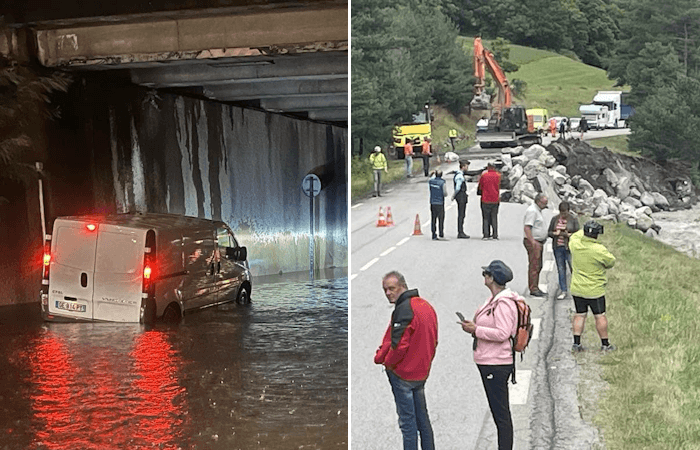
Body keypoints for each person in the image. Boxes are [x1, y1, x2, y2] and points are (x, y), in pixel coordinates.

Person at [375, 271, 438, 450]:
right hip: (421, 373)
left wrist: (388, 363)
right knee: (423, 421)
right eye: (385, 290)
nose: (388, 293)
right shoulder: (426, 306)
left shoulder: (404, 309)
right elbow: (434, 340)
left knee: (408, 425)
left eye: (392, 288)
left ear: (403, 286)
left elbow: (399, 346)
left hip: (404, 375)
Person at [459, 260, 519, 450]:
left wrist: (476, 330)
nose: (483, 277)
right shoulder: (494, 300)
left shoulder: (503, 304)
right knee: (498, 413)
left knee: (501, 415)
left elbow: (503, 333)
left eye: (486, 274)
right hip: (490, 361)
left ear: (492, 279)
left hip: (497, 363)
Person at [569, 221, 617, 352]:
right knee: (599, 315)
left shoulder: (575, 243)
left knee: (580, 314)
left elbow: (574, 236)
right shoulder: (599, 250)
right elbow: (611, 261)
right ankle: (605, 344)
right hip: (594, 290)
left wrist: (584, 229)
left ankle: (576, 343)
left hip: (577, 287)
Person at [547, 201, 579, 299]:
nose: (563, 215)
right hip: (558, 247)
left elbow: (578, 233)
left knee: (573, 268)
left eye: (565, 213)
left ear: (568, 211)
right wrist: (554, 234)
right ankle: (563, 290)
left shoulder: (573, 219)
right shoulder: (555, 219)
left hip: (569, 247)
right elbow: (549, 232)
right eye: (562, 213)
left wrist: (568, 235)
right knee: (561, 269)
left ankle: (576, 289)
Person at [523, 193, 549, 297]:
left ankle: (536, 286)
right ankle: (533, 288)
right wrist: (533, 241)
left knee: (538, 264)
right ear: (538, 202)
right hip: (534, 241)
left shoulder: (538, 210)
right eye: (544, 203)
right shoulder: (532, 211)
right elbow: (527, 227)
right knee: (535, 265)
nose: (545, 205)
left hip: (539, 241)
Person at [477, 162, 501, 240]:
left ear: (488, 167)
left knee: (485, 217)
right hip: (495, 199)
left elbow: (480, 187)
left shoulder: (484, 176)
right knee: (494, 217)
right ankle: (495, 235)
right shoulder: (498, 176)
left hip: (485, 199)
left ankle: (486, 235)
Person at [452, 160, 470, 239]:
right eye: (467, 166)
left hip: (461, 195)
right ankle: (460, 232)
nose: (467, 168)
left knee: (462, 213)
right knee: (461, 214)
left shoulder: (459, 174)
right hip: (461, 196)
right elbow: (457, 187)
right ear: (463, 167)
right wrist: (453, 195)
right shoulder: (459, 176)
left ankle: (461, 231)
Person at [428, 170, 447, 240]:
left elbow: (429, 178)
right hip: (440, 203)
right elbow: (445, 193)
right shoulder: (442, 182)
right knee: (441, 219)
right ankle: (441, 233)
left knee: (433, 218)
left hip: (432, 202)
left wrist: (431, 173)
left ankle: (433, 233)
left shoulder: (431, 181)